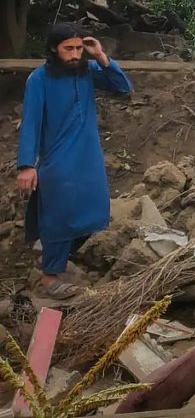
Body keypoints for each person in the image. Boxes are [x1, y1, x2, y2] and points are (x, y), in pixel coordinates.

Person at [16, 23, 132, 299]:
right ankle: (49, 277)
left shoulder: (87, 71)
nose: (75, 54)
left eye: (79, 48)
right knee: (59, 217)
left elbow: (123, 87)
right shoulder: (39, 79)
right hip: (58, 161)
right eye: (69, 49)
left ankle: (54, 258)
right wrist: (27, 165)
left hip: (88, 157)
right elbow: (30, 123)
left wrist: (101, 56)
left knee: (97, 210)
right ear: (54, 49)